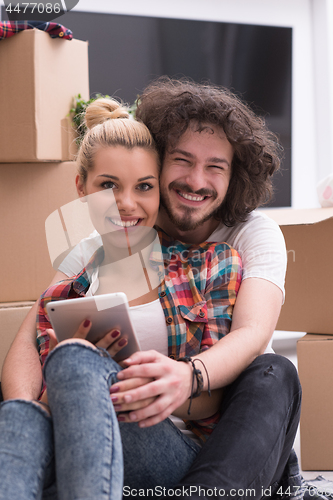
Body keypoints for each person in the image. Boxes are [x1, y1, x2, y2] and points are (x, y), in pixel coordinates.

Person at [1, 79, 302, 499]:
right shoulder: (99, 250)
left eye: (216, 166)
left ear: (234, 176)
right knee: (52, 378)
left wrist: (187, 375)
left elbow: (253, 334)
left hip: (231, 425)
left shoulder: (233, 248)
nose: (196, 180)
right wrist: (34, 409)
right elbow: (31, 336)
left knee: (273, 373)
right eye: (181, 160)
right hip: (119, 425)